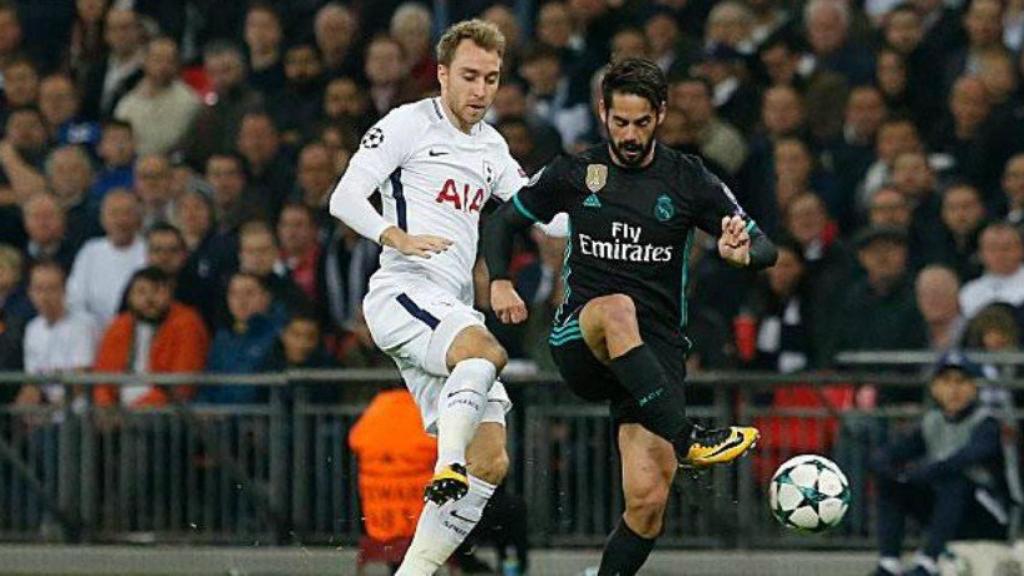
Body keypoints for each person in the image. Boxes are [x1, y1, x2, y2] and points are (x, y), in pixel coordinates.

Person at [481, 57, 775, 576]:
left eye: (642, 123)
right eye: (620, 122)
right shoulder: (576, 171)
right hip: (584, 337)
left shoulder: (689, 180)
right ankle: (690, 441)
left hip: (653, 356)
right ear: (603, 113)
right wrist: (501, 279)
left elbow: (764, 246)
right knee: (618, 308)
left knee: (646, 504)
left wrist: (741, 251)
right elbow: (503, 221)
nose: (630, 135)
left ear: (660, 114)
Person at [328, 20, 538, 575]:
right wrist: (392, 236)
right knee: (487, 352)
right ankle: (444, 464)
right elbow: (344, 197)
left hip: (449, 310)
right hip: (402, 292)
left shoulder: (492, 147)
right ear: (442, 74)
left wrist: (600, 204)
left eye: (491, 79)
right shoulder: (407, 124)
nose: (481, 91)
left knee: (491, 462)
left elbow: (542, 215)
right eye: (469, 76)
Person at [871, 352, 1012, 576]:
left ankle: (930, 560)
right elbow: (895, 452)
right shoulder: (932, 421)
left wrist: (919, 473)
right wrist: (888, 468)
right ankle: (889, 562)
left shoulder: (987, 423)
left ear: (975, 388)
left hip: (987, 513)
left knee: (953, 481)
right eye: (946, 382)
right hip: (948, 508)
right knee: (892, 484)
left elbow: (963, 459)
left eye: (961, 382)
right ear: (934, 388)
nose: (953, 390)